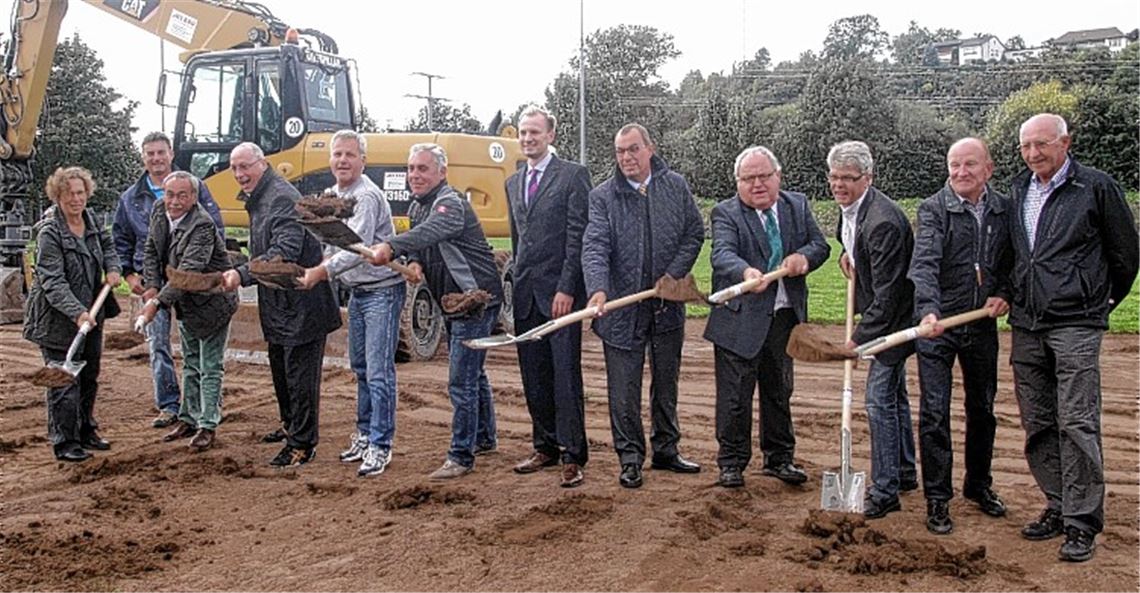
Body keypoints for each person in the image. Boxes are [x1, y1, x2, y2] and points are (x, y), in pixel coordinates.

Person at [1007, 113, 1138, 562]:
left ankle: (1082, 523)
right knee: (1039, 421)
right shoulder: (1019, 190)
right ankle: (1058, 505)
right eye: (1025, 146)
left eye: (1041, 144)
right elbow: (1012, 255)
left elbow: (1125, 255)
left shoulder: (1095, 187)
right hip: (1027, 325)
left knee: (1077, 421)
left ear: (1065, 142)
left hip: (1076, 324)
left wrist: (1099, 303)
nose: (1032, 154)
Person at [367, 143, 503, 480]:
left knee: (461, 381)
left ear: (442, 173)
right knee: (473, 374)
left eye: (423, 169)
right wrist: (414, 262)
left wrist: (394, 246)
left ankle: (461, 455)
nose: (415, 175)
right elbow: (426, 245)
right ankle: (484, 438)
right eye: (411, 169)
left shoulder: (449, 203)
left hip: (475, 298)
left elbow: (433, 232)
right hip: (451, 300)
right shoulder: (418, 206)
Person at [581, 123, 705, 489]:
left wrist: (674, 274)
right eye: (620, 152)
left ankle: (667, 450)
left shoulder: (675, 186)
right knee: (624, 389)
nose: (626, 158)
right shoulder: (603, 196)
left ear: (650, 149)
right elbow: (595, 246)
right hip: (621, 307)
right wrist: (599, 289)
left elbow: (693, 233)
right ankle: (631, 458)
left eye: (633, 149)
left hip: (666, 305)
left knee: (666, 383)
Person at [704, 146, 830, 489]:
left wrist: (804, 258)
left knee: (779, 391)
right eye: (749, 179)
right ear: (738, 182)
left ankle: (779, 458)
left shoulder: (797, 206)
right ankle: (731, 463)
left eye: (764, 176)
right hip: (739, 319)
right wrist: (745, 272)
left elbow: (820, 245)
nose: (757, 184)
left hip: (783, 318)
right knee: (735, 397)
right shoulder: (726, 213)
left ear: (778, 177)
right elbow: (722, 254)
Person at [908, 138, 1013, 535]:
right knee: (935, 413)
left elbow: (1011, 260)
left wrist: (1004, 292)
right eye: (954, 165)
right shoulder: (935, 209)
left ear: (989, 168)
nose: (961, 173)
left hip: (981, 323)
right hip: (938, 327)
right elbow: (925, 264)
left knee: (983, 409)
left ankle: (978, 485)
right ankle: (938, 497)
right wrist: (929, 310)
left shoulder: (1003, 209)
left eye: (970, 164)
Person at [220, 142, 341, 467]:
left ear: (262, 164)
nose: (239, 174)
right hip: (278, 300)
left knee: (300, 377)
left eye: (245, 166)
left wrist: (242, 274)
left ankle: (302, 444)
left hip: (302, 301)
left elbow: (284, 250)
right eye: (234, 168)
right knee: (281, 371)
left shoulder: (281, 197)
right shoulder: (261, 197)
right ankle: (290, 425)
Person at [298, 130, 406, 478]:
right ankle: (363, 434)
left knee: (378, 372)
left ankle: (380, 445)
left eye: (349, 155)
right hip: (358, 293)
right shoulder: (333, 196)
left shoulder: (367, 197)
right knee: (360, 368)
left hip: (382, 291)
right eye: (337, 155)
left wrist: (321, 272)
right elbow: (331, 241)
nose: (342, 161)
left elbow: (354, 249)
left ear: (363, 160)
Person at [829, 140, 917, 519]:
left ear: (868, 178)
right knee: (895, 398)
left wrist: (857, 341)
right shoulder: (850, 212)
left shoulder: (883, 223)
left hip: (894, 323)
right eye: (834, 177)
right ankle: (905, 471)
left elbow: (888, 296)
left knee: (879, 401)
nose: (839, 185)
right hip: (886, 315)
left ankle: (885, 491)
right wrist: (850, 256)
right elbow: (851, 241)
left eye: (848, 178)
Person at [112, 131, 224, 429]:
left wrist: (158, 301)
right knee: (164, 348)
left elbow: (199, 255)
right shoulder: (134, 200)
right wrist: (142, 282)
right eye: (150, 153)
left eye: (161, 153)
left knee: (204, 359)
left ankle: (206, 418)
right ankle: (174, 408)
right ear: (143, 156)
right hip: (157, 282)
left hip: (195, 288)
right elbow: (138, 244)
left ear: (171, 154)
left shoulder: (199, 206)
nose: (156, 159)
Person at [505, 106, 591, 488]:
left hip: (560, 294)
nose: (528, 139)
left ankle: (573, 455)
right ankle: (545, 446)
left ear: (551, 135)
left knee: (564, 376)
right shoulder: (513, 181)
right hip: (526, 295)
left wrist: (568, 288)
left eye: (535, 132)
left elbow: (578, 237)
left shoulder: (573, 176)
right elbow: (517, 241)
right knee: (533, 374)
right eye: (523, 133)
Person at [24, 166, 122, 462]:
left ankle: (85, 430)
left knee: (89, 374)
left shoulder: (91, 221)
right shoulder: (49, 233)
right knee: (64, 379)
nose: (76, 199)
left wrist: (114, 268)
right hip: (57, 319)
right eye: (69, 194)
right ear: (58, 196)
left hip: (92, 312)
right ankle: (65, 442)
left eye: (80, 193)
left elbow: (108, 246)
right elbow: (52, 282)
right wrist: (77, 312)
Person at [137, 172, 237, 452]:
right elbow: (151, 251)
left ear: (194, 198)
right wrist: (152, 288)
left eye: (183, 196)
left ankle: (208, 425)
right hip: (186, 304)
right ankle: (188, 417)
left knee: (210, 367)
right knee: (190, 362)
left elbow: (187, 272)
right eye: (170, 195)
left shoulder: (203, 226)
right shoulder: (160, 210)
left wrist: (156, 304)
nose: (175, 201)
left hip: (212, 303)